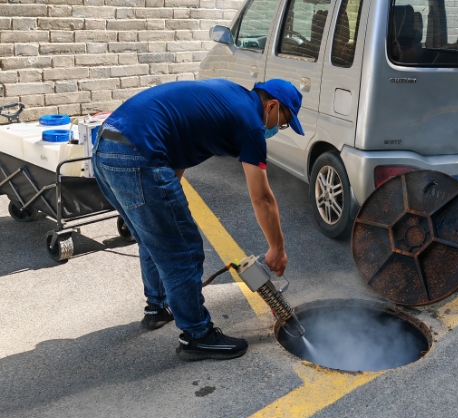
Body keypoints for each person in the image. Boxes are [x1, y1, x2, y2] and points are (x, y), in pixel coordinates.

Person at [91, 78, 304, 361]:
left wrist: (168, 206)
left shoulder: (229, 97)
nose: (277, 128)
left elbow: (178, 145)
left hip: (107, 146)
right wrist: (277, 249)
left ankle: (157, 307)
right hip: (137, 152)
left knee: (154, 237)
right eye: (283, 121)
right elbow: (262, 198)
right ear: (273, 106)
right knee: (184, 251)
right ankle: (197, 335)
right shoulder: (251, 123)